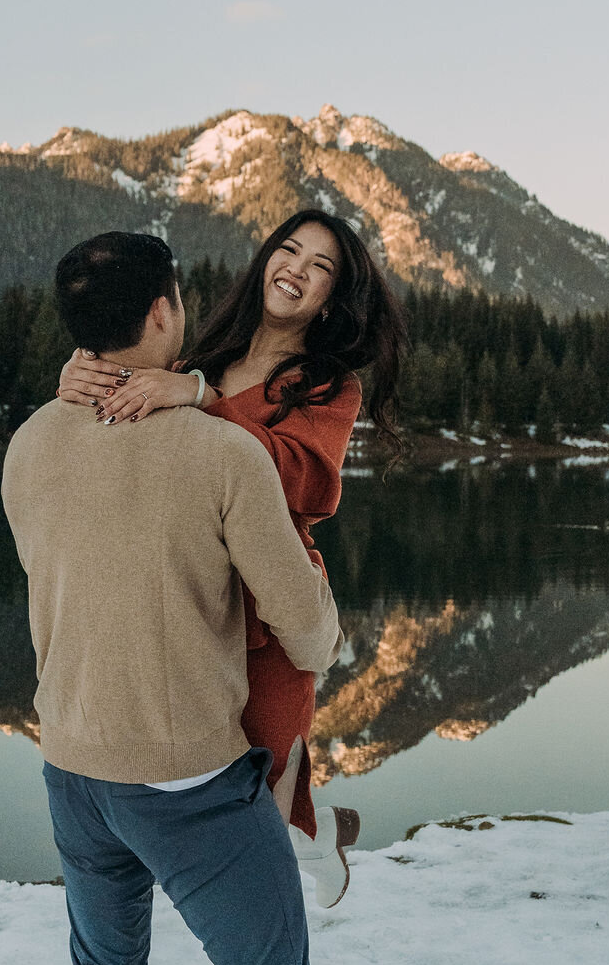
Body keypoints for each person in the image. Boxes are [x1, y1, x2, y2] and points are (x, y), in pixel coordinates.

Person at [2, 230, 344, 965]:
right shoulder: (222, 454)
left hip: (73, 770)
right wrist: (323, 639)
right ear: (163, 311)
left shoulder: (30, 444)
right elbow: (300, 619)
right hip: (184, 782)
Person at [58, 209, 406, 906]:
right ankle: (316, 836)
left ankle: (274, 931)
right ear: (264, 260)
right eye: (289, 250)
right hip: (193, 600)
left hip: (274, 608)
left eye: (320, 267)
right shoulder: (204, 354)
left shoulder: (328, 385)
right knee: (206, 784)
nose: (297, 270)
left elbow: (299, 476)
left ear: (332, 297)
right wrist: (81, 379)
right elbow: (136, 435)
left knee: (265, 774)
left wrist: (200, 400)